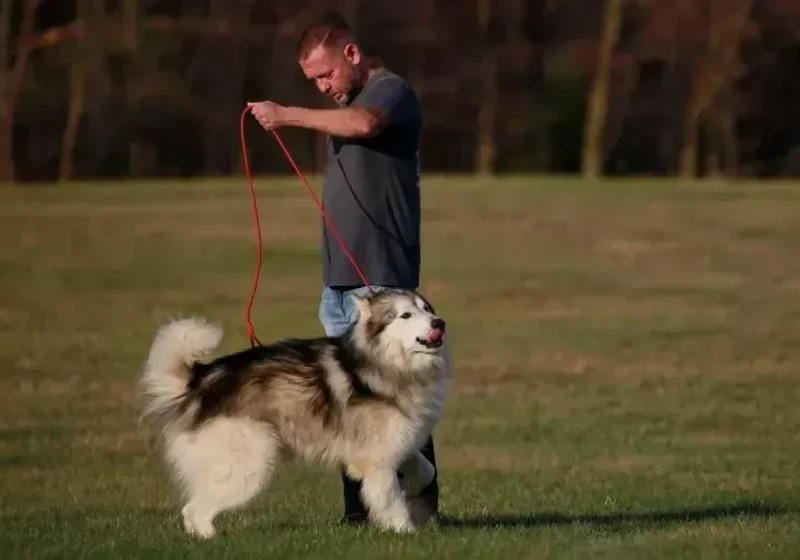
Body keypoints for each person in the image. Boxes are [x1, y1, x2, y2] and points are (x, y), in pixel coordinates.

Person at [247, 13, 440, 527]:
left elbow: (365, 126)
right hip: (341, 287)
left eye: (325, 75)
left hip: (382, 279)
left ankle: (421, 511)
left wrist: (288, 113)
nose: (323, 87)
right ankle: (360, 515)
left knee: (399, 397)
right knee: (350, 403)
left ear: (351, 54)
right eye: (313, 82)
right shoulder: (348, 101)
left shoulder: (389, 91)